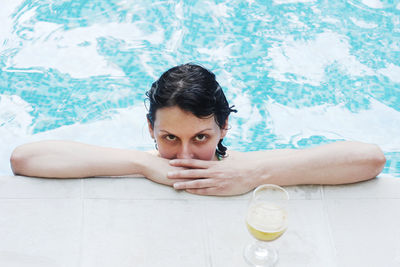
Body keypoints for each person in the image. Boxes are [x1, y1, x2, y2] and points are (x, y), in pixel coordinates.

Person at [10, 63, 386, 196]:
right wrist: (145, 165)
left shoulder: (246, 165)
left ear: (224, 128)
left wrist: (252, 175)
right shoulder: (145, 161)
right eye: (169, 138)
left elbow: (370, 159)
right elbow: (25, 158)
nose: (185, 156)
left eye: (201, 137)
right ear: (150, 129)